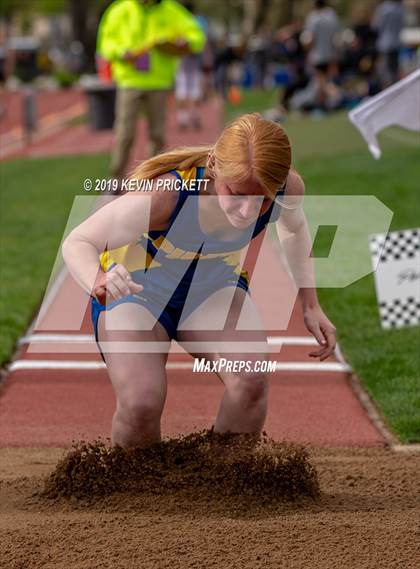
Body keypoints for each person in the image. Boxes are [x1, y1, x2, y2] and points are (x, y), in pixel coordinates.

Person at [62, 113, 337, 448]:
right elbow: (77, 241)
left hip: (211, 288)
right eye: (235, 194)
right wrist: (98, 279)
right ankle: (133, 493)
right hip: (137, 292)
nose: (247, 212)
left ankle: (222, 480)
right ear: (213, 166)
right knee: (141, 403)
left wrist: (311, 304)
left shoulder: (286, 188)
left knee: (250, 379)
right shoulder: (167, 195)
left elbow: (293, 230)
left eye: (261, 199)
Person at [96, 0, 206, 181]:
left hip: (159, 82)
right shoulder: (119, 10)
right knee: (125, 134)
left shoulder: (171, 10)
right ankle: (116, 179)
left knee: (158, 134)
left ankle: (155, 178)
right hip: (129, 81)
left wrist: (184, 42)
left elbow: (197, 36)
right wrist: (121, 52)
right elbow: (105, 43)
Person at [372, 0, 404, 88]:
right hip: (396, 43)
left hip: (384, 44)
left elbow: (376, 26)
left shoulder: (382, 9)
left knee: (385, 72)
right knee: (394, 71)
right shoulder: (399, 9)